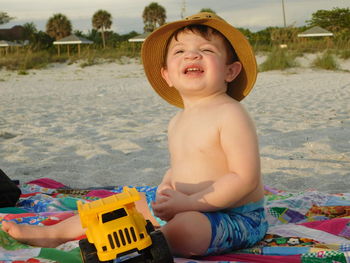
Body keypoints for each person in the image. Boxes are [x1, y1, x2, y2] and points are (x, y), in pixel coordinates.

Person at [2, 12, 268, 257]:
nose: (192, 56)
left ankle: (144, 245)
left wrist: (189, 203)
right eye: (180, 51)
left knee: (188, 228)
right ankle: (53, 234)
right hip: (183, 204)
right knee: (123, 204)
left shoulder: (231, 113)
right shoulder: (178, 121)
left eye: (206, 50)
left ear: (230, 71)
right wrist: (167, 186)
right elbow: (182, 166)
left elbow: (243, 178)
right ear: (167, 76)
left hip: (235, 215)